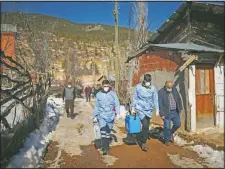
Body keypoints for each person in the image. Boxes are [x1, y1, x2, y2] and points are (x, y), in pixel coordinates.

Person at [131, 74, 159, 152]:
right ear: (144, 80)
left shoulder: (153, 88)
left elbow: (155, 98)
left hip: (149, 109)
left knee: (146, 125)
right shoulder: (138, 87)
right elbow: (135, 98)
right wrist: (133, 107)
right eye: (147, 81)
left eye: (149, 81)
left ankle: (143, 136)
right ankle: (144, 143)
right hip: (140, 108)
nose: (148, 83)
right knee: (145, 125)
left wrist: (157, 109)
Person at [92, 80, 120, 155]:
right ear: (102, 86)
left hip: (110, 115)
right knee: (103, 131)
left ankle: (106, 145)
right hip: (102, 116)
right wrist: (94, 116)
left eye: (107, 86)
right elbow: (96, 106)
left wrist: (118, 113)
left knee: (108, 131)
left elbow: (117, 104)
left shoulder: (113, 94)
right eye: (105, 86)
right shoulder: (98, 95)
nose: (106, 88)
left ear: (109, 86)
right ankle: (105, 148)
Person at [158, 80, 183, 146]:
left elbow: (178, 98)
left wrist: (180, 108)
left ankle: (170, 133)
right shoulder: (161, 92)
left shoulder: (174, 90)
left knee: (178, 124)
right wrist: (162, 114)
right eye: (168, 88)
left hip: (175, 111)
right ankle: (166, 140)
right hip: (166, 112)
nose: (170, 89)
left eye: (171, 87)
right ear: (165, 86)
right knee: (167, 126)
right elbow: (160, 104)